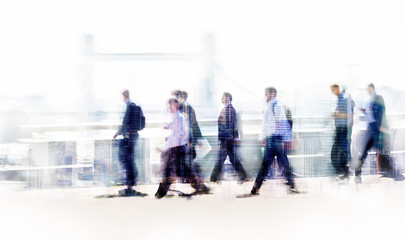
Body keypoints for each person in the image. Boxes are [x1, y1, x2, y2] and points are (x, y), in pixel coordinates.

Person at [155, 98, 210, 199]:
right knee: (172, 170)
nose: (169, 108)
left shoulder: (179, 118)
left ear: (176, 106)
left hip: (178, 149)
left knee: (180, 171)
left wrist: (162, 147)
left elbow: (176, 137)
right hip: (176, 149)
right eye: (168, 106)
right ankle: (160, 193)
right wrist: (168, 126)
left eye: (171, 106)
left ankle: (160, 193)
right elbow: (175, 128)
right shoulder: (178, 117)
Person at [251, 87, 297, 195]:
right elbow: (266, 125)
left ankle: (256, 188)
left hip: (275, 139)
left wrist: (287, 139)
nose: (265, 96)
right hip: (270, 140)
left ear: (272, 94)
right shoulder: (269, 107)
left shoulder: (277, 106)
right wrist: (262, 137)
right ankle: (291, 185)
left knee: (275, 163)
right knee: (277, 163)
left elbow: (282, 123)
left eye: (266, 93)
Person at [356, 83, 402, 182]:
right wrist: (364, 111)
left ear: (372, 88)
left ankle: (394, 173)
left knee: (381, 152)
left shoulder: (378, 98)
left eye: (368, 89)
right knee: (365, 152)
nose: (367, 91)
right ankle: (357, 174)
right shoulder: (370, 100)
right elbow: (370, 113)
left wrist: (381, 126)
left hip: (377, 130)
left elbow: (381, 111)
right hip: (371, 130)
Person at [210, 92, 248, 182]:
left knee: (222, 158)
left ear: (227, 98)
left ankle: (213, 178)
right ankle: (243, 175)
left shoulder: (230, 109)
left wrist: (231, 137)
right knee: (232, 158)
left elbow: (232, 124)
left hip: (227, 139)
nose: (221, 99)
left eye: (222, 97)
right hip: (227, 138)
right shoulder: (227, 109)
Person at [113, 90, 144, 195]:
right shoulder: (132, 106)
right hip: (133, 136)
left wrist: (118, 132)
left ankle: (130, 185)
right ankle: (131, 183)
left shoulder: (129, 106)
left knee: (127, 160)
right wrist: (119, 132)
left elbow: (125, 122)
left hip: (129, 138)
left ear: (123, 96)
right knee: (129, 160)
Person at [172, 90, 204, 180]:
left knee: (186, 161)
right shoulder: (183, 107)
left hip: (185, 140)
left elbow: (190, 124)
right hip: (184, 140)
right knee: (186, 160)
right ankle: (192, 179)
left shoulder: (185, 107)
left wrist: (194, 139)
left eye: (175, 97)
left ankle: (194, 180)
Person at [330, 84, 352, 182]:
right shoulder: (338, 99)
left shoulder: (345, 99)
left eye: (333, 90)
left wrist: (336, 114)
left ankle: (344, 174)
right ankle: (343, 173)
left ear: (337, 88)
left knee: (340, 152)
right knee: (337, 153)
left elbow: (348, 115)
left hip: (343, 129)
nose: (332, 92)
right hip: (339, 129)